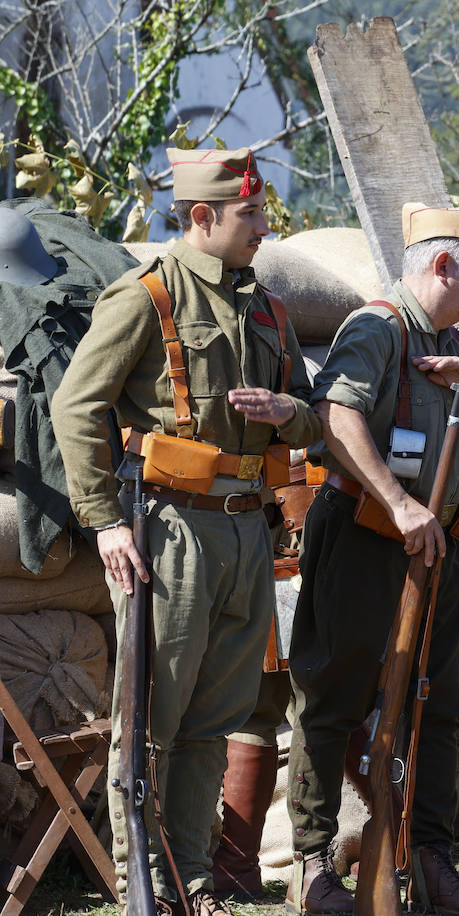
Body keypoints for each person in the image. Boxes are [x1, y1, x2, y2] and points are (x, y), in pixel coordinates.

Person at [50, 147, 321, 916]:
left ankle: (192, 880)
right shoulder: (147, 296)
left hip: (245, 533)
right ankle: (147, 885)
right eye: (250, 215)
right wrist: (103, 521)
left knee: (214, 720)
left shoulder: (266, 308)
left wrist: (286, 417)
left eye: (263, 213)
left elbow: (307, 409)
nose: (264, 227)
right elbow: (77, 407)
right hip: (164, 531)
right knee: (153, 720)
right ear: (201, 218)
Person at [286, 202, 459, 915]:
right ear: (441, 266)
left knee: (437, 702)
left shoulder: (458, 340)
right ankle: (312, 868)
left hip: (438, 548)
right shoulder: (376, 327)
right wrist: (400, 504)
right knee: (332, 697)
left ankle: (431, 858)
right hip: (365, 536)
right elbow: (337, 417)